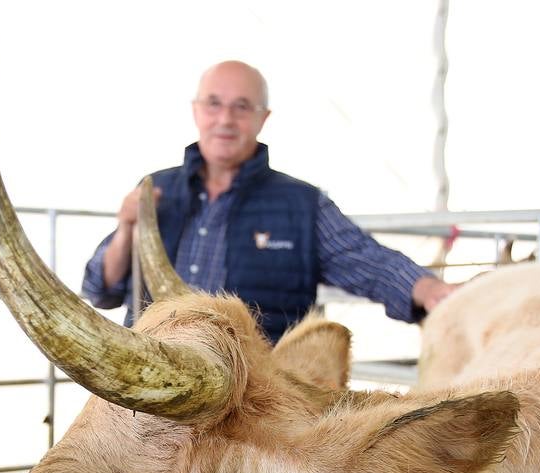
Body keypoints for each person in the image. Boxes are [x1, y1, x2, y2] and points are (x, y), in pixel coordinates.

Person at [82, 60, 455, 343]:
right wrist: (128, 228)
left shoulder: (302, 204)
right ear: (196, 111)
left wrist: (429, 290)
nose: (225, 119)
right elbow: (101, 289)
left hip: (250, 397)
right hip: (151, 380)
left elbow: (369, 262)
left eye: (242, 107)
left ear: (263, 118)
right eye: (214, 104)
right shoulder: (154, 190)